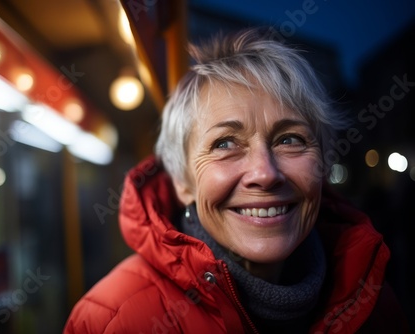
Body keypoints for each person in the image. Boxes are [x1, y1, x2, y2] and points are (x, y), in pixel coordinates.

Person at [64, 28, 409, 333]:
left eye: (290, 139)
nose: (265, 173)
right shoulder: (111, 322)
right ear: (183, 182)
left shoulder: (375, 300)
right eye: (225, 144)